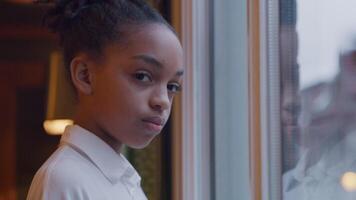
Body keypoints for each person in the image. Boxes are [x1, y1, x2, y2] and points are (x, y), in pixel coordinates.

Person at [27, 0, 184, 199]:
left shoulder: (124, 180)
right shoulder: (64, 181)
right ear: (85, 75)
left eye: (172, 86)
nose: (163, 101)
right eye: (142, 76)